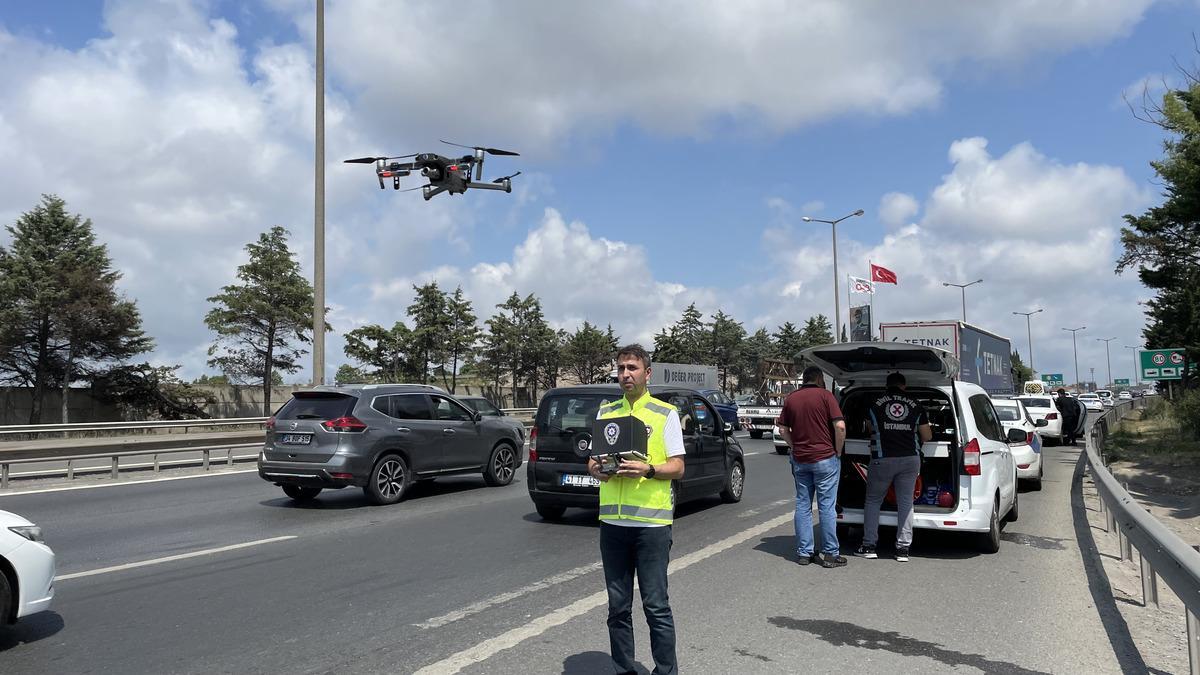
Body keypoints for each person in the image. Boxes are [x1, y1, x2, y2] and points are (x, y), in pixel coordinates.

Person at [586, 344, 686, 675]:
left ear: (647, 373)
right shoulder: (606, 412)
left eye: (632, 368)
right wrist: (598, 470)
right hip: (613, 525)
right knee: (617, 608)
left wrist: (648, 469)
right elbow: (592, 462)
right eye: (621, 368)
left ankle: (666, 672)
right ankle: (624, 670)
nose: (625, 374)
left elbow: (678, 467)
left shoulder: (664, 413)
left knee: (655, 606)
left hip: (651, 527)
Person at [775, 365, 848, 568]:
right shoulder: (826, 396)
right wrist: (838, 451)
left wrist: (794, 447)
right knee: (827, 506)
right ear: (819, 379)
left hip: (800, 460)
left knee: (803, 505)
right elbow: (840, 426)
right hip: (825, 459)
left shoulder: (791, 399)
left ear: (804, 379)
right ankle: (830, 553)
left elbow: (782, 430)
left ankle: (804, 553)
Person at [855, 372, 932, 563]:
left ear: (886, 386)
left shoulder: (874, 403)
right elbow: (927, 435)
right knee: (906, 503)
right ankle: (903, 549)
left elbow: (869, 428)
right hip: (910, 459)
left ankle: (869, 546)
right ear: (904, 386)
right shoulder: (916, 404)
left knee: (873, 501)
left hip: (882, 459)